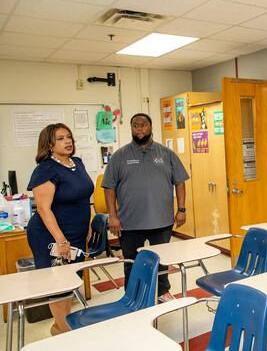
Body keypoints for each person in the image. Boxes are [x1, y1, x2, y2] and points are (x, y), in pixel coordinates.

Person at [102, 113, 189, 303]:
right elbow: (109, 187)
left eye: (143, 125)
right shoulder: (120, 156)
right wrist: (112, 216)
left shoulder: (166, 154)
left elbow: (180, 182)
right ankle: (132, 295)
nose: (139, 129)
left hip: (162, 221)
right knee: (131, 262)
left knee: (162, 260)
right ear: (131, 129)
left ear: (151, 127)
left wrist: (181, 209)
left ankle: (162, 292)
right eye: (135, 126)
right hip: (130, 223)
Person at [27, 123, 94, 335]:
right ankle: (64, 330)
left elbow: (84, 198)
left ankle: (60, 327)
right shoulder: (45, 169)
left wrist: (89, 225)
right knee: (58, 284)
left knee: (71, 280)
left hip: (76, 232)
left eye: (69, 137)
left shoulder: (78, 163)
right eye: (61, 138)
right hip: (51, 235)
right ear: (49, 144)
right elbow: (44, 210)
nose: (68, 141)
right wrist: (61, 240)